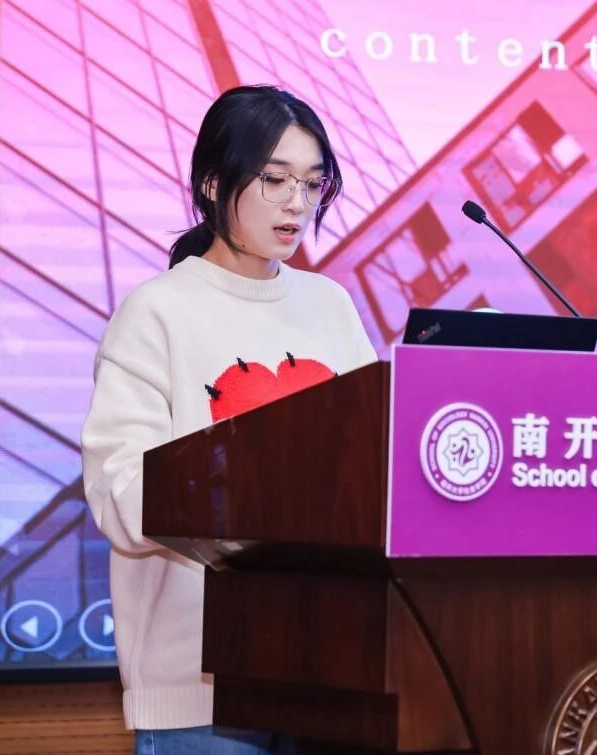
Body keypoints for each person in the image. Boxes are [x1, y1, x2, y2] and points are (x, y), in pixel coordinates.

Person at [81, 85, 377, 754]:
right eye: (275, 179)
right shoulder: (156, 312)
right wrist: (250, 472)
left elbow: (371, 464)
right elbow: (119, 497)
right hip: (201, 688)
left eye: (312, 183)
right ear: (213, 183)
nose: (297, 203)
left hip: (332, 670)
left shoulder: (329, 304)